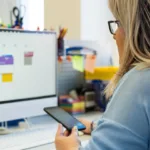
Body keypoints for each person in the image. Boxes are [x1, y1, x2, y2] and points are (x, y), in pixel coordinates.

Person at [55, 0, 150, 149]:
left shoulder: (140, 79)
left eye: (118, 23)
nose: (115, 35)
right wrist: (96, 126)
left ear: (134, 28)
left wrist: (67, 147)